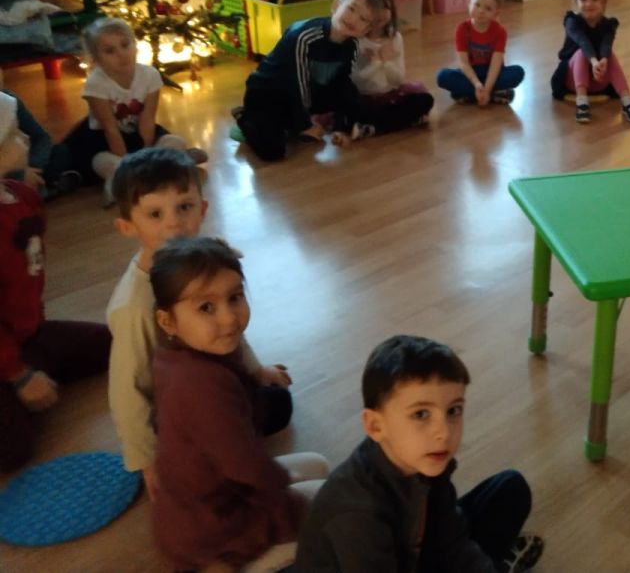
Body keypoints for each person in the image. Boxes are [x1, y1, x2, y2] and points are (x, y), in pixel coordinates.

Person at [106, 147, 292, 500]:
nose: (174, 223)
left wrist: (255, 370)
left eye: (185, 207)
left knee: (277, 401)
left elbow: (228, 325)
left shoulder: (201, 262)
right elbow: (127, 391)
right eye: (155, 214)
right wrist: (147, 462)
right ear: (127, 226)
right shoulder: (133, 307)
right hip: (179, 405)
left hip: (210, 377)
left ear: (203, 209)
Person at [149, 236, 328, 572]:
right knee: (335, 507)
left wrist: (277, 478)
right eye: (206, 307)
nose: (230, 318)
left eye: (235, 297)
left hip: (199, 508)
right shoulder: (200, 386)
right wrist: (285, 498)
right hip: (216, 528)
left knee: (317, 465)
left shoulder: (176, 358)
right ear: (167, 321)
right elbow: (245, 466)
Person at [295, 334, 543, 572]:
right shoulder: (358, 515)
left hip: (411, 548)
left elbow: (452, 538)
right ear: (375, 426)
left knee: (511, 488)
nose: (443, 432)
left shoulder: (424, 457)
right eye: (421, 414)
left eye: (453, 411)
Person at [0, 93, 110, 471]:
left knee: (110, 344)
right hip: (7, 349)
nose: (25, 140)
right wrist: (18, 375)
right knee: (13, 450)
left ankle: (31, 366)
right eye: (14, 136)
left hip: (29, 333)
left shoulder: (21, 196)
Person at [61, 17, 206, 203]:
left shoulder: (150, 75)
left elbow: (148, 119)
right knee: (101, 161)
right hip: (106, 139)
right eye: (110, 51)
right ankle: (144, 173)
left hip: (140, 132)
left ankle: (145, 175)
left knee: (175, 141)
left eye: (125, 45)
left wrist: (145, 155)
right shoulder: (95, 83)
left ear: (135, 44)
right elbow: (110, 128)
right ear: (96, 59)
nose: (122, 54)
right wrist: (129, 163)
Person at [235, 0, 382, 161]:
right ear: (336, 6)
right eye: (351, 9)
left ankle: (296, 123)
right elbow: (295, 84)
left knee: (351, 93)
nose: (354, 19)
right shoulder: (304, 37)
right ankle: (245, 117)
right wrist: (305, 125)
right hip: (268, 94)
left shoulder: (352, 45)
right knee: (273, 152)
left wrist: (340, 126)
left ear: (365, 30)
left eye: (363, 19)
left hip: (306, 93)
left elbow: (342, 84)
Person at [550, 0, 630, 124]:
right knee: (581, 53)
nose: (589, 4)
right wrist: (593, 61)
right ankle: (582, 103)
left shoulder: (609, 25)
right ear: (576, 2)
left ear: (603, 2)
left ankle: (628, 102)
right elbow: (583, 41)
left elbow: (606, 45)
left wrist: (603, 60)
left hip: (598, 78)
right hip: (573, 80)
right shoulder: (572, 21)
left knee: (609, 55)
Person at [351, 0, 434, 136]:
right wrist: (376, 62)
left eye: (385, 7)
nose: (380, 14)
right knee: (346, 107)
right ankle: (401, 122)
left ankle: (371, 128)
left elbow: (398, 80)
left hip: (390, 96)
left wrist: (386, 62)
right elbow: (356, 81)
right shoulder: (357, 41)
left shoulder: (395, 38)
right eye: (374, 8)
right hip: (363, 97)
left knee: (425, 100)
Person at [436, 0, 526, 106]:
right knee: (442, 76)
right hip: (471, 73)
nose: (481, 11)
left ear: (496, 13)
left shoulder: (500, 32)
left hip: (493, 73)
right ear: (469, 3)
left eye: (488, 8)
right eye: (477, 5)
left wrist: (487, 89)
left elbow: (496, 64)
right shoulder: (462, 29)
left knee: (518, 72)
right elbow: (463, 62)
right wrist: (477, 84)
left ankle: (470, 94)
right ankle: (495, 93)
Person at [0, 67, 79, 198]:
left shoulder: (10, 101)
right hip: (7, 172)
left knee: (61, 152)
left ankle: (39, 188)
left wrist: (33, 167)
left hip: (24, 164)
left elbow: (41, 137)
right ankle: (46, 190)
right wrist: (20, 174)